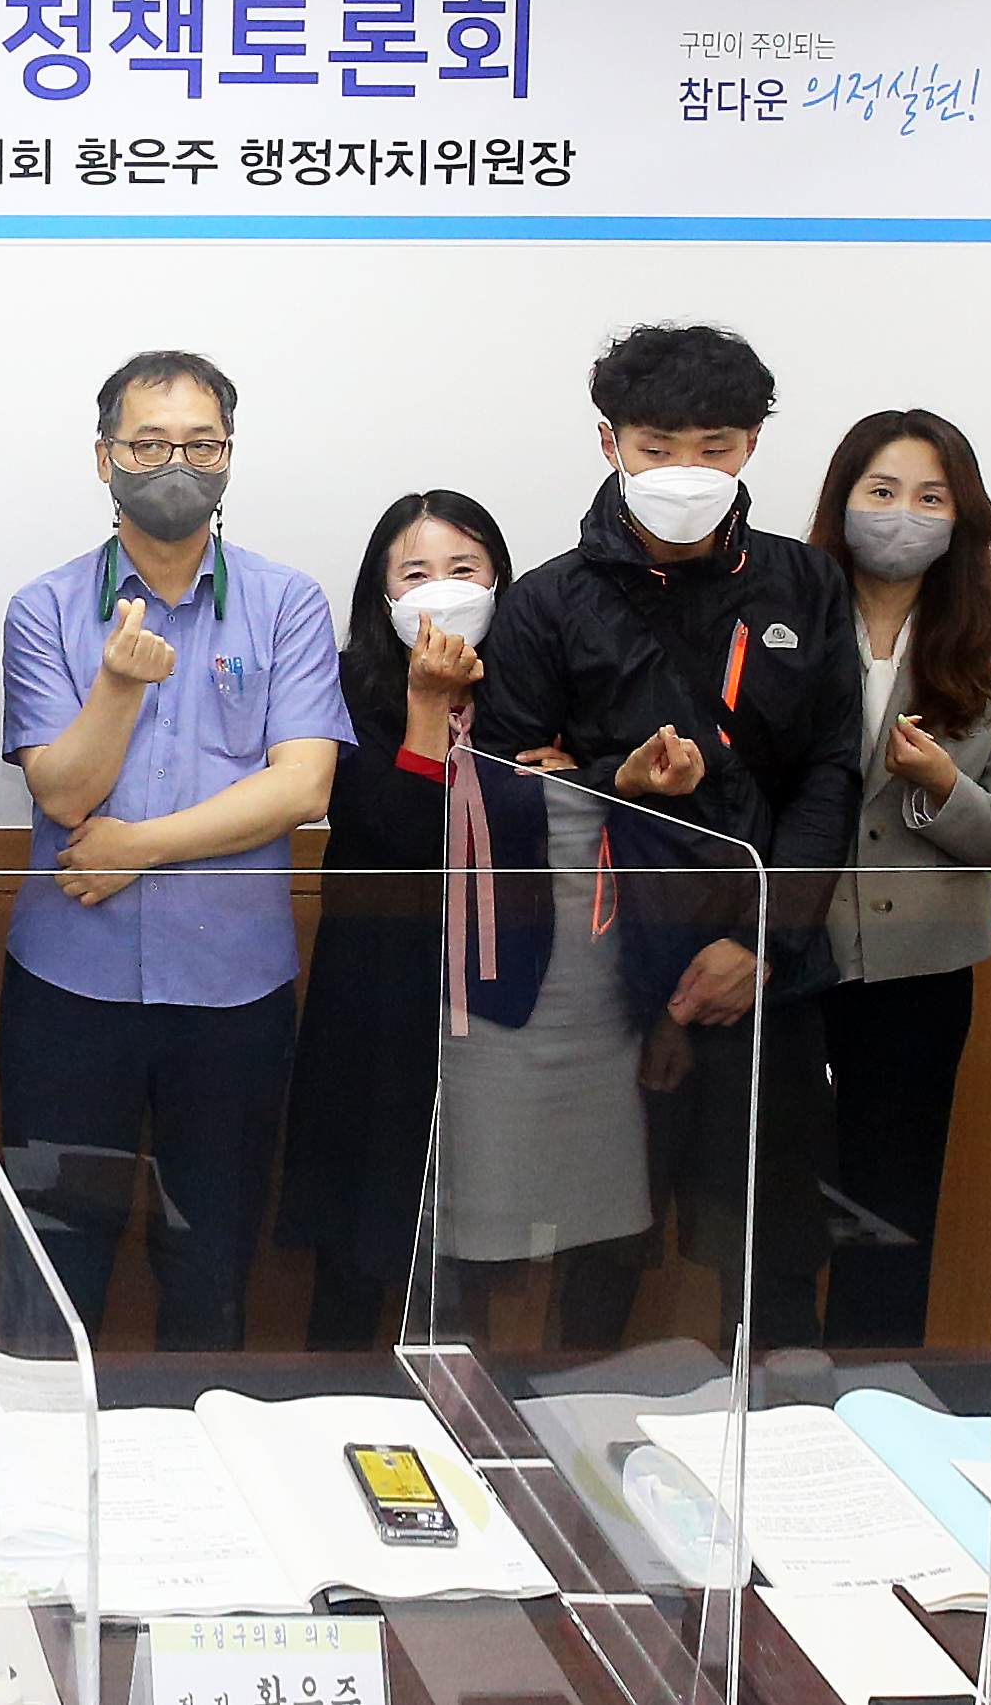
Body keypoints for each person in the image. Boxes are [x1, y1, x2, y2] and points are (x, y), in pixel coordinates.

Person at [472, 323, 861, 1352]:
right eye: (656, 448)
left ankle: (783, 1433)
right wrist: (617, 781)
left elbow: (830, 774)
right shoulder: (547, 601)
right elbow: (511, 793)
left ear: (751, 446)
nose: (685, 472)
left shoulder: (807, 584)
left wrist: (764, 943)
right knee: (599, 1253)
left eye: (714, 448)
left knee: (774, 1254)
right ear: (609, 442)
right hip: (607, 981)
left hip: (771, 969)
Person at [0, 351, 348, 1350]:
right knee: (57, 1262)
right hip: (69, 986)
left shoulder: (287, 602)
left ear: (230, 455)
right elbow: (62, 792)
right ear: (104, 457)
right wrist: (117, 684)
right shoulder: (44, 607)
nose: (175, 466)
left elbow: (303, 787)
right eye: (148, 444)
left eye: (200, 444)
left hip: (233, 992)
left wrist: (139, 848)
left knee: (211, 1267)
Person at [279, 490, 654, 1352]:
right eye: (415, 574)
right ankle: (335, 1388)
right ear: (381, 594)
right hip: (382, 985)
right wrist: (425, 704)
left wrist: (582, 774)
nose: (441, 591)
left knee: (484, 1241)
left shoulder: (545, 681)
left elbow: (598, 812)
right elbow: (395, 831)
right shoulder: (341, 685)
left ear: (500, 583)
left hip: (512, 1005)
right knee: (362, 1221)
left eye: (464, 570)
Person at [804, 409, 991, 1347]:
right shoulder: (781, 622)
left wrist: (944, 788)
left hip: (922, 970)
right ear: (843, 502)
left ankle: (873, 1395)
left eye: (930, 497)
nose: (903, 514)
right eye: (882, 491)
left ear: (962, 516)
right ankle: (774, 1399)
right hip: (788, 955)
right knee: (778, 1200)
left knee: (892, 1208)